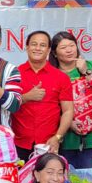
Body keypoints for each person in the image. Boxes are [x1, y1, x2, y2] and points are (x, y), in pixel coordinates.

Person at [11, 31, 74, 161]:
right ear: (27, 47)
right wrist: (27, 97)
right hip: (18, 143)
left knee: (49, 180)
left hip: (49, 144)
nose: (38, 48)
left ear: (49, 49)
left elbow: (68, 111)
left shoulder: (61, 77)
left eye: (42, 45)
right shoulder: (14, 74)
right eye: (34, 44)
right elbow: (5, 104)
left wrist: (57, 137)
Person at [48, 31, 92, 169]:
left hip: (91, 138)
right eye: (63, 47)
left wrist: (85, 72)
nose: (69, 50)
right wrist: (67, 121)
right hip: (63, 138)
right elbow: (49, 104)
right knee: (66, 182)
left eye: (72, 45)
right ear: (54, 53)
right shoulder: (52, 74)